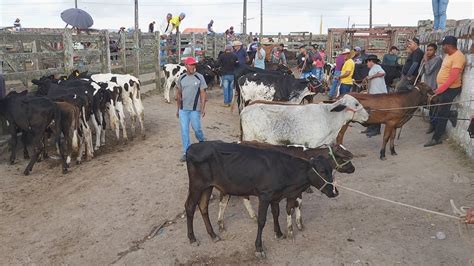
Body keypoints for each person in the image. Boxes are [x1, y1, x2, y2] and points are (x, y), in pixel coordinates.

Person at [424, 36, 466, 147]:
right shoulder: (448, 55)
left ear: (448, 45)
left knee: (441, 112)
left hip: (451, 89)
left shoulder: (458, 57)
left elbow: (452, 78)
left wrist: (439, 90)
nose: (442, 47)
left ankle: (436, 138)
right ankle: (451, 114)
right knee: (438, 108)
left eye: (443, 45)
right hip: (444, 87)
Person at [176, 57, 207, 161]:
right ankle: (186, 151)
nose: (193, 67)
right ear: (186, 66)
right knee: (184, 130)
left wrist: (202, 108)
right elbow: (178, 94)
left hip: (195, 109)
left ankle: (202, 140)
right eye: (191, 65)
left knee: (196, 128)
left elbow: (203, 93)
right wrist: (177, 109)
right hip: (183, 109)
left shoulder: (200, 77)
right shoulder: (181, 78)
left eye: (194, 65)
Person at [364, 55, 388, 137]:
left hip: (379, 93)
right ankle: (371, 128)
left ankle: (376, 130)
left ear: (371, 61)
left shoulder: (377, 66)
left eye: (367, 61)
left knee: (377, 112)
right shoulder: (373, 69)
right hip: (374, 93)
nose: (367, 63)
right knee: (372, 111)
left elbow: (382, 73)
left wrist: (371, 77)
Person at [423, 43, 443, 134]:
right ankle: (432, 124)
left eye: (431, 50)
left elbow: (428, 71)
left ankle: (434, 126)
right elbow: (422, 70)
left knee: (433, 108)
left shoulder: (437, 59)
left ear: (435, 51)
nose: (428, 52)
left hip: (434, 86)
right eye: (427, 50)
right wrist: (423, 61)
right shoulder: (427, 59)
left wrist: (426, 61)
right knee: (430, 107)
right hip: (427, 86)